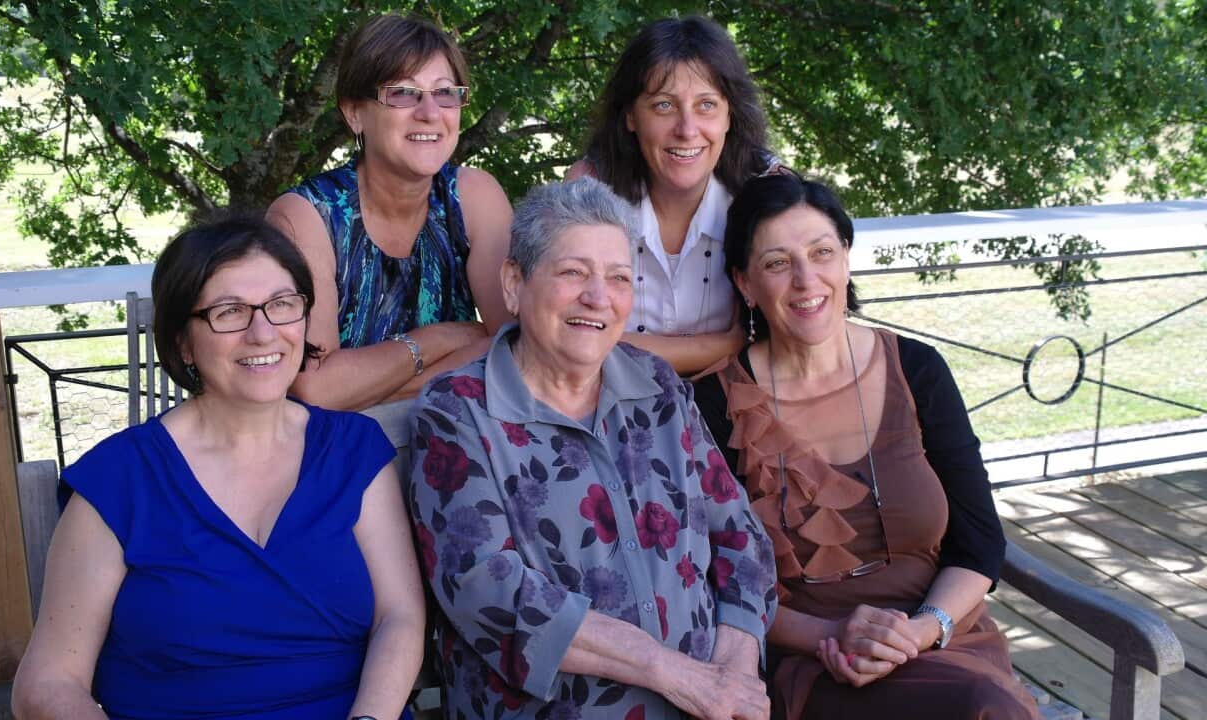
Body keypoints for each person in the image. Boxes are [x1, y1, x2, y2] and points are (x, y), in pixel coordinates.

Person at [12, 217, 425, 720]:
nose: (263, 333)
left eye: (282, 304)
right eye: (229, 312)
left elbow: (399, 617)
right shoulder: (119, 481)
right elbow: (49, 682)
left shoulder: (353, 451)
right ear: (183, 342)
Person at [408, 178, 779, 720]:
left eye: (619, 277)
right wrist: (673, 673)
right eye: (573, 272)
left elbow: (740, 535)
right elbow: (485, 587)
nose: (599, 297)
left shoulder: (657, 385)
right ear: (514, 283)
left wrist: (733, 675)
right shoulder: (458, 410)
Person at [693, 173, 1036, 719]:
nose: (806, 280)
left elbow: (978, 543)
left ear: (846, 258)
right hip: (807, 660)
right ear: (745, 283)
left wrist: (920, 632)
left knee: (981, 703)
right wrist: (832, 636)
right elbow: (712, 579)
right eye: (778, 263)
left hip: (941, 641)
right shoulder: (712, 403)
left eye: (822, 253)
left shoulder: (918, 370)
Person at [268, 14, 513, 410]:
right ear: (354, 113)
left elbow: (516, 348)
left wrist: (368, 383)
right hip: (344, 442)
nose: (430, 112)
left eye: (445, 93)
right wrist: (441, 339)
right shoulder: (308, 216)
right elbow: (316, 390)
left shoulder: (473, 197)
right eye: (403, 93)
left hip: (456, 432)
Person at [568, 16, 782, 375]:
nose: (687, 130)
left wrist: (619, 347)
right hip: (609, 399)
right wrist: (728, 345)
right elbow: (571, 339)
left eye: (706, 105)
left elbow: (791, 336)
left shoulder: (767, 190)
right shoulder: (590, 187)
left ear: (730, 115)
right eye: (664, 105)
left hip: (737, 400)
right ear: (631, 116)